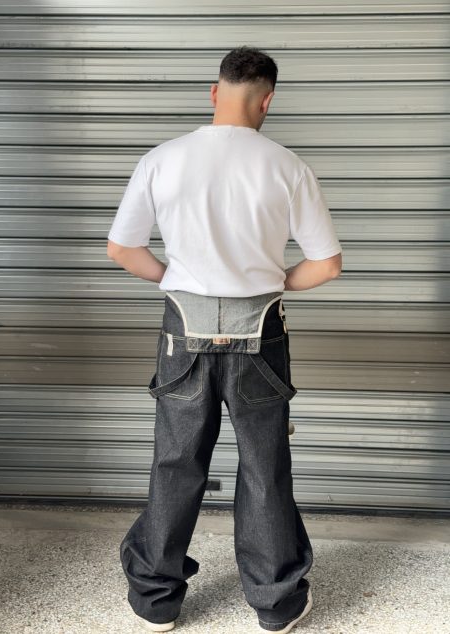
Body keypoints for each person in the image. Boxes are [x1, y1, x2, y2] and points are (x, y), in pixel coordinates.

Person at [107, 45, 342, 634]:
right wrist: (276, 281)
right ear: (267, 100)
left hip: (182, 329)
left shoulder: (162, 159)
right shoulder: (287, 166)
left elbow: (122, 250)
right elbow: (327, 265)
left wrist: (177, 279)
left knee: (175, 460)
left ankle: (157, 600)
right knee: (264, 466)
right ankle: (275, 602)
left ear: (215, 92)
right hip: (260, 330)